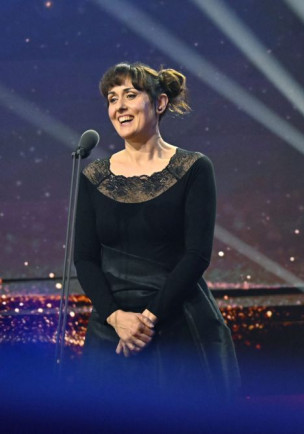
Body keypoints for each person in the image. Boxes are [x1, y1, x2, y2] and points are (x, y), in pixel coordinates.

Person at [74, 62, 240, 402]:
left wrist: (147, 320)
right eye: (112, 99)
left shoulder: (194, 168)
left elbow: (197, 255)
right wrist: (117, 318)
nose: (119, 106)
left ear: (160, 103)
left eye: (130, 95)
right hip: (113, 329)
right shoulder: (94, 176)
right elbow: (85, 258)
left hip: (178, 322)